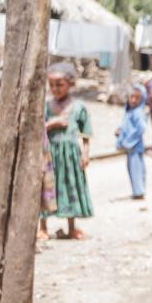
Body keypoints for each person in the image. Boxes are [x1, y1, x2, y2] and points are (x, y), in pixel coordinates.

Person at [39, 63, 93, 240]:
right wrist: (51, 124)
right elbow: (36, 129)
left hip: (70, 156)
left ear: (70, 84)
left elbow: (86, 133)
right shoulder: (45, 106)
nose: (55, 89)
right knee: (46, 188)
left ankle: (71, 227)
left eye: (59, 84)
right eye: (52, 84)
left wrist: (85, 154)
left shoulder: (78, 107)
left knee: (70, 187)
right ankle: (43, 227)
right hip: (49, 155)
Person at [116, 84, 148, 199]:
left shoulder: (138, 113)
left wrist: (129, 140)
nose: (133, 100)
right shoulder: (130, 112)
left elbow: (141, 128)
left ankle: (139, 192)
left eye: (137, 98)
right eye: (131, 97)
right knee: (133, 168)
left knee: (136, 169)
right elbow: (126, 125)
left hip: (135, 146)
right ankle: (138, 190)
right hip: (132, 147)